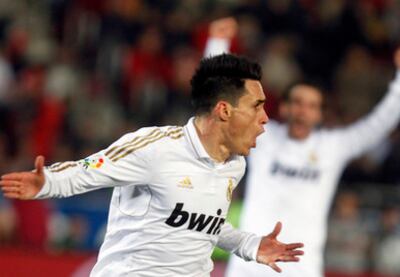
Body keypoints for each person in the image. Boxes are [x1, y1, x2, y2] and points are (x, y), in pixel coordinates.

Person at [0, 41, 304, 276]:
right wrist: (46, 181)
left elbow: (203, 226)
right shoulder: (154, 148)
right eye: (256, 106)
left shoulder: (234, 166)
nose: (265, 118)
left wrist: (249, 245)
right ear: (224, 110)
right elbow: (86, 171)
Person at [204, 18, 400, 277]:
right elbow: (223, 98)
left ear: (320, 115)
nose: (303, 111)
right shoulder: (263, 138)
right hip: (249, 267)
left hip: (303, 270)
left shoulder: (333, 147)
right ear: (284, 108)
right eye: (298, 103)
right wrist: (217, 43)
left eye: (312, 106)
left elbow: (377, 125)